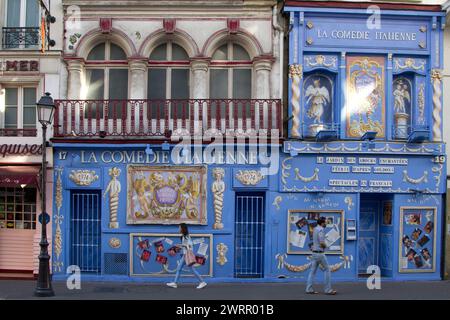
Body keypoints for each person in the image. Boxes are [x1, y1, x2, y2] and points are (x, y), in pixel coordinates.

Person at [166, 223, 207, 289]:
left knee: (192, 270)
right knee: (179, 268)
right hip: (185, 255)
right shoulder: (184, 236)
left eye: (179, 227)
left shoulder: (186, 236)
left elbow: (189, 245)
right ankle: (175, 283)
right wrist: (180, 246)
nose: (178, 229)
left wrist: (180, 245)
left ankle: (202, 282)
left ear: (182, 228)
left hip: (186, 255)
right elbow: (186, 245)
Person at [305, 217, 337, 295]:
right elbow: (322, 243)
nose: (326, 223)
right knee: (327, 270)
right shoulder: (321, 230)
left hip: (314, 253)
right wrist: (326, 246)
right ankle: (328, 290)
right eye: (325, 222)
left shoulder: (315, 229)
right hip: (320, 254)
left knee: (312, 272)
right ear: (322, 223)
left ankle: (309, 289)